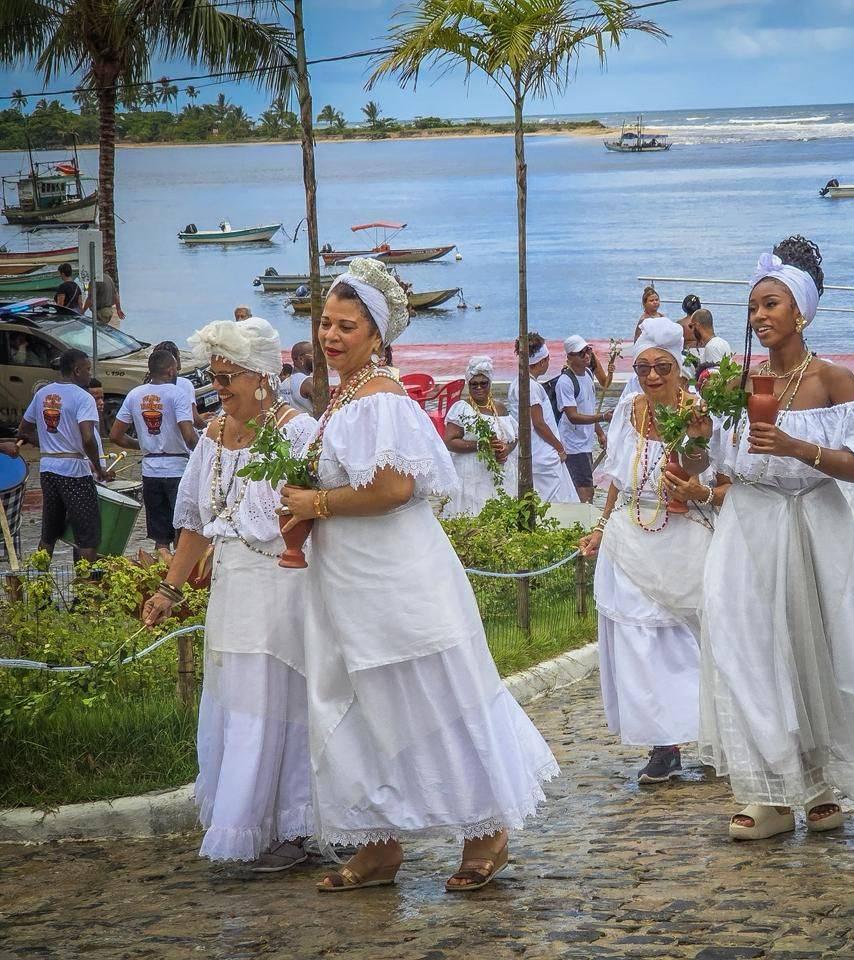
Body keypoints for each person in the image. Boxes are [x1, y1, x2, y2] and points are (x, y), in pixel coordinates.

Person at [278, 257, 557, 893]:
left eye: (347, 325)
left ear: (376, 336)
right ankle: (377, 842)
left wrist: (314, 503)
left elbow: (393, 488)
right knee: (354, 696)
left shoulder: (383, 399)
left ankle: (484, 828)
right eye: (325, 323)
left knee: (431, 692)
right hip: (345, 573)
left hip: (396, 572)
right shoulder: (342, 397)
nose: (331, 335)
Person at [699, 236, 854, 840]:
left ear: (800, 312)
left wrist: (799, 446)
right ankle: (770, 790)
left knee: (820, 649)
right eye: (754, 306)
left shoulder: (834, 380)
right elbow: (721, 465)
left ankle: (822, 780)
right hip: (751, 530)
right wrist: (698, 434)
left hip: (815, 526)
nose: (760, 316)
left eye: (771, 304)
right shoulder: (737, 384)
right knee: (751, 650)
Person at [141, 316, 317, 871]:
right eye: (214, 378)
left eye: (227, 379)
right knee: (238, 700)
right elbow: (194, 521)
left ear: (262, 376)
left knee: (278, 702)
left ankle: (293, 824)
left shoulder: (298, 431)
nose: (218, 391)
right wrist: (169, 588)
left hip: (283, 586)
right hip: (232, 588)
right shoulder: (214, 435)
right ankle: (250, 824)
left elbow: (319, 516)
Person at [578, 317, 723, 784]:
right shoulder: (629, 412)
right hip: (633, 533)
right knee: (642, 644)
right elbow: (619, 479)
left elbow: (718, 477)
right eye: (642, 368)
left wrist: (697, 480)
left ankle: (713, 732)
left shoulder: (700, 414)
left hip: (686, 535)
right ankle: (665, 743)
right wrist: (602, 527)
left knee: (692, 642)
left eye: (662, 366)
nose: (652, 376)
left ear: (680, 368)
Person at [18, 349, 107, 560]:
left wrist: (49, 445)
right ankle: (85, 589)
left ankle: (40, 586)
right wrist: (98, 467)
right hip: (74, 471)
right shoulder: (83, 398)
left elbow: (24, 430)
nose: (88, 374)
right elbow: (88, 438)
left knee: (49, 533)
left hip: (48, 469)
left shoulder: (42, 394)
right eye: (87, 369)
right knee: (87, 535)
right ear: (76, 370)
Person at [110, 350, 199, 552]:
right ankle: (180, 579)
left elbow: (115, 435)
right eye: (176, 368)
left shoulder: (134, 395)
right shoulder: (178, 394)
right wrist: (203, 453)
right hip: (178, 470)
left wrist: (142, 445)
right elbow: (188, 435)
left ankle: (161, 576)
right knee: (182, 530)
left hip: (150, 471)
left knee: (160, 536)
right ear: (170, 371)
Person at [442, 356, 516, 517]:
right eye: (474, 384)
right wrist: (481, 445)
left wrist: (506, 449)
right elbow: (449, 441)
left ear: (490, 384)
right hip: (470, 475)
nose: (479, 387)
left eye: (484, 383)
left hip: (498, 474)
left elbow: (514, 437)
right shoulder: (461, 408)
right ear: (468, 385)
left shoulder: (500, 408)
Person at [508, 334, 577, 504]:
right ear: (541, 363)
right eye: (548, 359)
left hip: (531, 450)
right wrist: (559, 447)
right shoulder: (531, 386)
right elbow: (538, 423)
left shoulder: (517, 382)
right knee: (554, 498)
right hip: (541, 452)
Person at [556, 335, 611, 503]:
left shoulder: (587, 374)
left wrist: (600, 433)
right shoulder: (565, 382)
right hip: (573, 446)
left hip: (585, 443)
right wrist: (602, 417)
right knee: (585, 492)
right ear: (570, 357)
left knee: (585, 489)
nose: (587, 355)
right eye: (581, 353)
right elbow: (573, 417)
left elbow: (587, 409)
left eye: (588, 351)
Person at [281, 341, 314, 415]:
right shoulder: (308, 382)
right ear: (301, 359)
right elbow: (324, 413)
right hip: (310, 425)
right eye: (313, 355)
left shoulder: (283, 385)